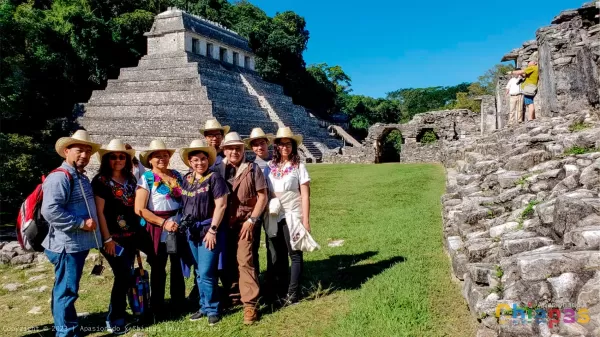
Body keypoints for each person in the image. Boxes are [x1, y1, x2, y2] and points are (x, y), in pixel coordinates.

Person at [41, 129, 102, 337]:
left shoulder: (80, 176)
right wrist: (81, 223)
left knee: (65, 289)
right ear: (67, 151)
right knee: (66, 291)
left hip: (75, 244)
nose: (84, 155)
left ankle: (66, 327)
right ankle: (66, 333)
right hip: (66, 245)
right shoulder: (60, 177)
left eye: (87, 151)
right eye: (79, 150)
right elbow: (50, 210)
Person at [91, 139, 156, 334]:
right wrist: (107, 239)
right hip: (114, 238)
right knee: (123, 275)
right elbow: (99, 212)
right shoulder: (100, 181)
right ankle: (115, 318)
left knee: (157, 259)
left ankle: (147, 305)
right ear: (106, 159)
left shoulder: (131, 178)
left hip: (134, 234)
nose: (118, 160)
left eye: (122, 156)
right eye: (113, 157)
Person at [179, 139, 229, 326]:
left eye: (203, 159)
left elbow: (221, 205)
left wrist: (213, 230)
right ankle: (203, 305)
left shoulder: (214, 178)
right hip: (191, 232)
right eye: (195, 160)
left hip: (209, 229)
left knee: (207, 271)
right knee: (199, 271)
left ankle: (213, 308)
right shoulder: (186, 179)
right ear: (190, 162)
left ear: (208, 160)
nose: (199, 163)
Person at [134, 139, 186, 316]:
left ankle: (178, 302)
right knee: (158, 266)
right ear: (150, 160)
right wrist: (164, 223)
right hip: (158, 226)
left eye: (165, 155)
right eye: (157, 156)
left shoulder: (177, 175)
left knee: (177, 265)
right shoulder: (146, 179)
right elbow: (139, 208)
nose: (162, 158)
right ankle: (157, 306)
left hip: (177, 225)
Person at [221, 132, 268, 325]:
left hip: (245, 223)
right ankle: (234, 296)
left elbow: (262, 196)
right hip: (224, 223)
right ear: (224, 150)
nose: (234, 152)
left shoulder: (252, 169)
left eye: (238, 148)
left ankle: (250, 304)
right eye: (230, 148)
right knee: (228, 261)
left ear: (243, 150)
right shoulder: (217, 169)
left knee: (245, 260)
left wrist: (252, 220)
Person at [264, 127, 313, 306]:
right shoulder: (270, 167)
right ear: (276, 146)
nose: (285, 147)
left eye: (288, 144)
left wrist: (305, 220)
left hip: (293, 213)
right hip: (275, 213)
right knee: (280, 253)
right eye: (281, 144)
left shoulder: (299, 166)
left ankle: (293, 293)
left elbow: (305, 194)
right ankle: (282, 288)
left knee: (295, 253)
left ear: (293, 146)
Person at [243, 128, 274, 289]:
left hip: (274, 210)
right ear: (251, 148)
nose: (259, 147)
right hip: (256, 210)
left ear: (267, 143)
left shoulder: (276, 162)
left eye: (262, 143)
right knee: (252, 246)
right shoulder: (250, 166)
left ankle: (273, 277)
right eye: (255, 145)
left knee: (273, 244)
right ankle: (255, 280)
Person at [508, 56, 538, 121]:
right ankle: (533, 117)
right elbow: (524, 74)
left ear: (535, 62)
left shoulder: (532, 68)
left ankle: (530, 118)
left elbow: (522, 71)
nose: (528, 63)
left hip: (529, 87)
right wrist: (521, 74)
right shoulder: (535, 68)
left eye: (530, 62)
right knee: (530, 101)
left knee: (529, 103)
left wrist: (512, 72)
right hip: (532, 86)